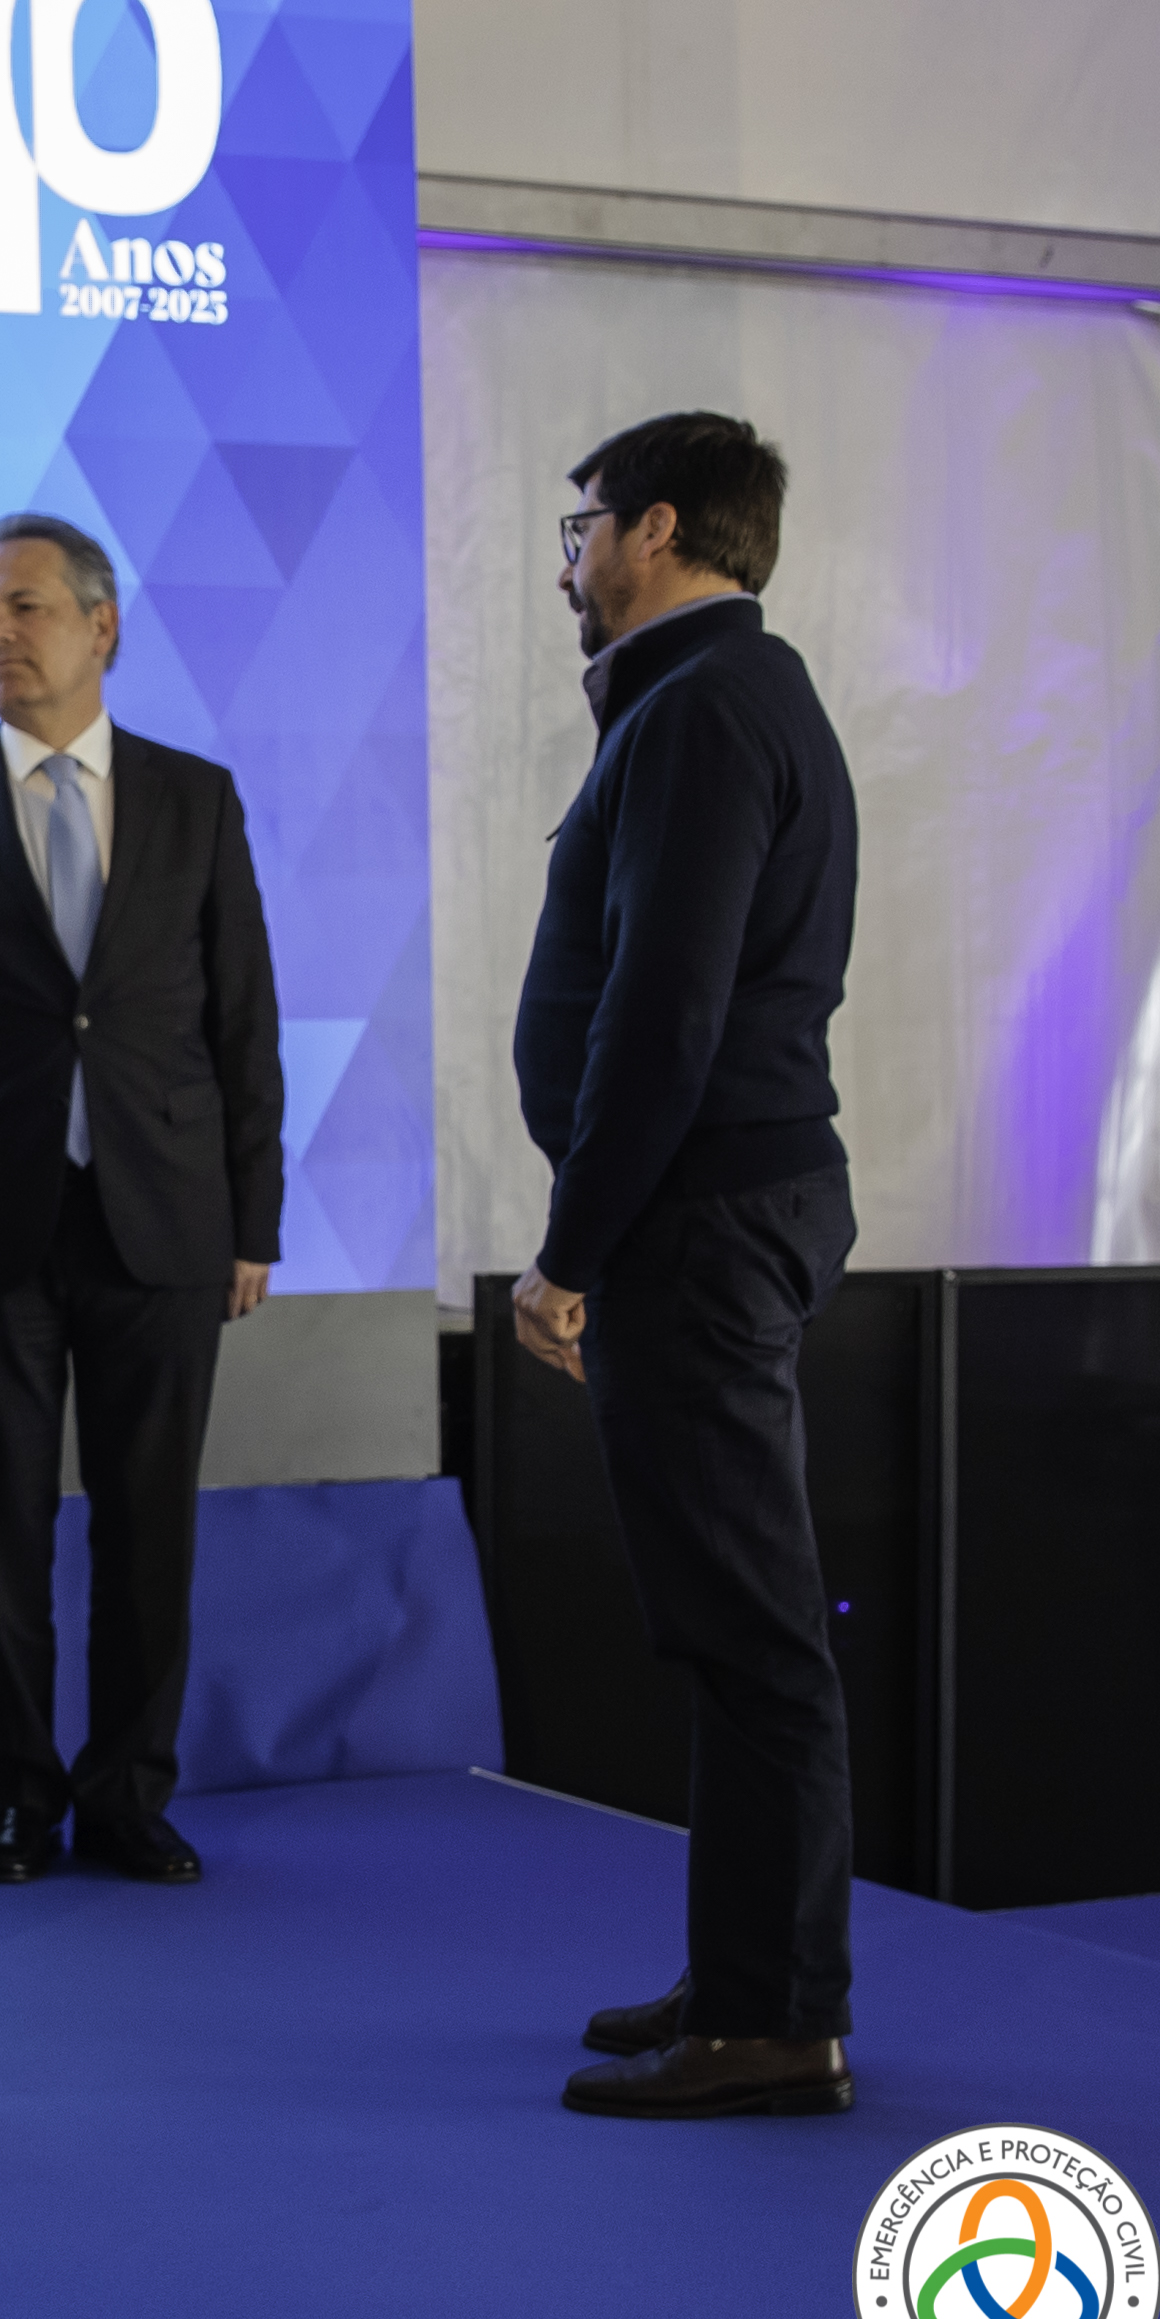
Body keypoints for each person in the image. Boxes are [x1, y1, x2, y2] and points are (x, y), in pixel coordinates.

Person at [0, 514, 281, 1892]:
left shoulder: (195, 801)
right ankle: (18, 1800)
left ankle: (130, 1797)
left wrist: (253, 1221)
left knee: (152, 1529)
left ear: (101, 625)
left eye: (22, 607)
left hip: (163, 1220)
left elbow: (243, 1023)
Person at [511, 413, 861, 2122]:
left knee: (752, 1634)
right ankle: (741, 1978)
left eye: (579, 526)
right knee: (730, 1629)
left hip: (697, 1224)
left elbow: (664, 1014)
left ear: (654, 529)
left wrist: (567, 1253)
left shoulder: (705, 705)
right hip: (713, 1213)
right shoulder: (711, 693)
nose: (566, 563)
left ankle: (774, 2019)